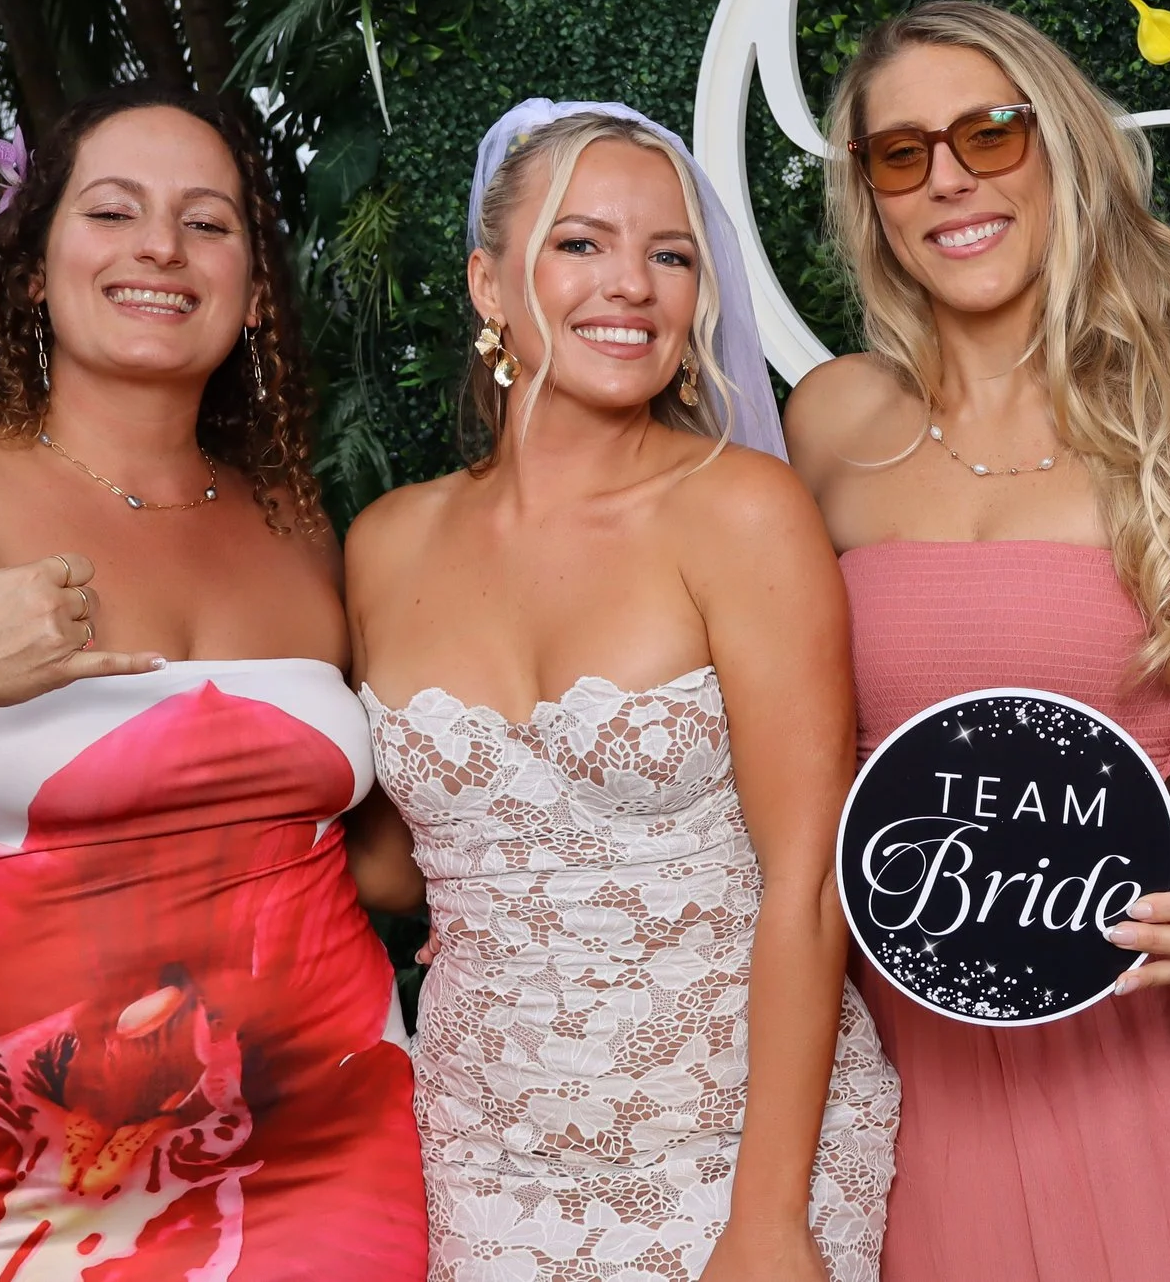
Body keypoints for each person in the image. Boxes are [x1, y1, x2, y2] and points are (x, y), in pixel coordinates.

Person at [0, 83, 426, 1279]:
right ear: (36, 269)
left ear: (255, 294)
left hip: (325, 1147)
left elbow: (378, 850)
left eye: (208, 222)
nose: (161, 245)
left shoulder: (300, 525)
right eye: (113, 211)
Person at [784, 0, 1170, 1281]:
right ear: (869, 196)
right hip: (903, 1049)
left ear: (1062, 147)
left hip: (1141, 1021)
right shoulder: (827, 421)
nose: (951, 180)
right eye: (900, 153)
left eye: (989, 131)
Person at [344, 102, 899, 1282]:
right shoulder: (385, 542)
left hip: (737, 1152)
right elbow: (393, 862)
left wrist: (768, 1219)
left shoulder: (740, 508)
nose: (632, 284)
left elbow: (809, 878)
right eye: (581, 243)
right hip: (479, 1161)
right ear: (491, 283)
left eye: (671, 253)